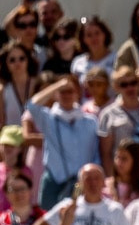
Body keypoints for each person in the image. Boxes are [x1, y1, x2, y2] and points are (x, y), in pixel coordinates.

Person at [26, 72, 103, 206]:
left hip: (80, 184)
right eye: (62, 92)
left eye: (70, 91)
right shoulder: (48, 118)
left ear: (78, 93)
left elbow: (96, 153)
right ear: (56, 94)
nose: (66, 95)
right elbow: (32, 105)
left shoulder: (90, 121)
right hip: (54, 181)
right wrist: (57, 85)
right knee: (48, 222)